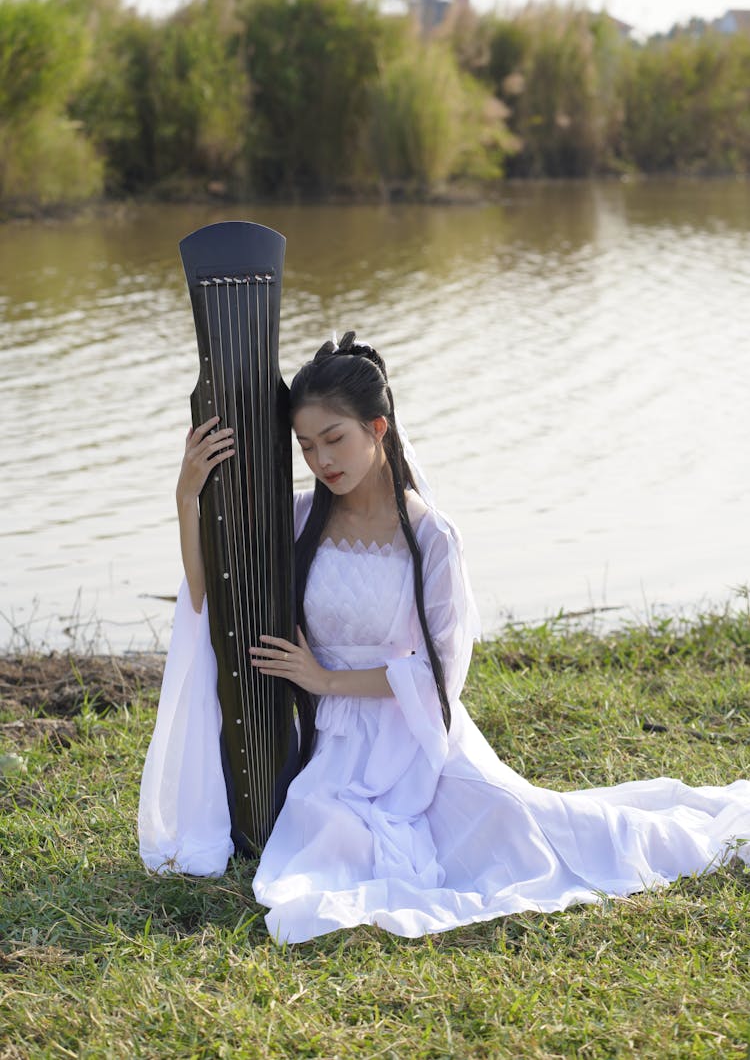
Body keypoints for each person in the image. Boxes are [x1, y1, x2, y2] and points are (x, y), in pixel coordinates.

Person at [139, 332, 750, 944]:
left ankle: (697, 831)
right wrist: (187, 496)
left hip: (417, 738)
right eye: (306, 446)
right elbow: (210, 597)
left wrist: (323, 678)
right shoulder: (299, 519)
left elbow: (439, 679)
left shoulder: (432, 537)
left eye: (334, 439)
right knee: (328, 843)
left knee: (534, 835)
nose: (322, 460)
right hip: (329, 740)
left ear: (378, 428)